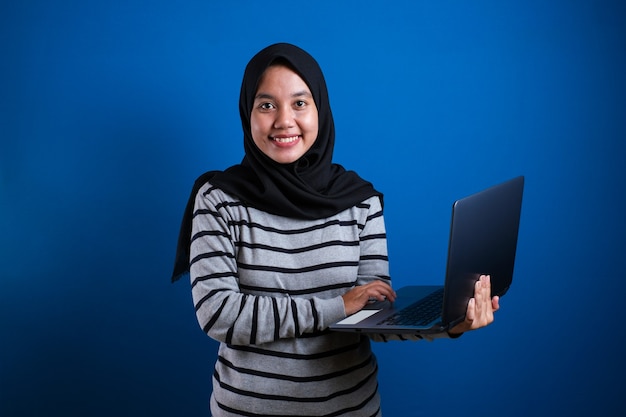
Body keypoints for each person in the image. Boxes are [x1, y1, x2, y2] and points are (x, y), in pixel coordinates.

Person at [172, 42, 500, 417]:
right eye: (266, 105)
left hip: (351, 408)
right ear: (248, 113)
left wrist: (450, 322)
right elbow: (219, 314)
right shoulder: (218, 200)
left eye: (299, 103)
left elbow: (374, 315)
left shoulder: (359, 200)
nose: (283, 121)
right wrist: (337, 307)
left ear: (320, 110)